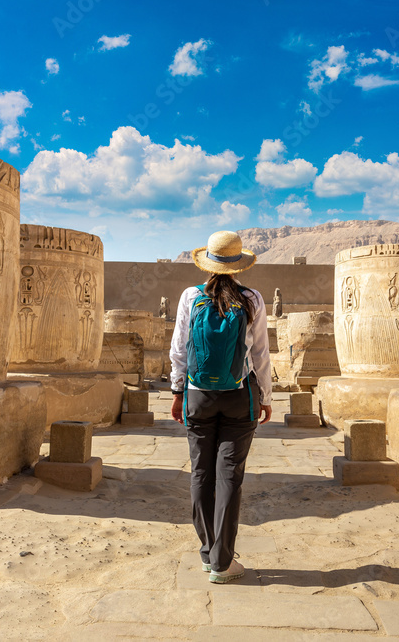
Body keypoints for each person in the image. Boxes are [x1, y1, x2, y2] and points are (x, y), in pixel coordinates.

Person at [170, 230, 272, 584]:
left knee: (201, 473)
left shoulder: (190, 297)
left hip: (197, 396)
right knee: (229, 476)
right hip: (238, 396)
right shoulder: (252, 299)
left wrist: (177, 390)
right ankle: (222, 562)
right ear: (238, 264)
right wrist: (267, 397)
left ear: (208, 263)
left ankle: (206, 551)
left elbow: (180, 350)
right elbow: (260, 354)